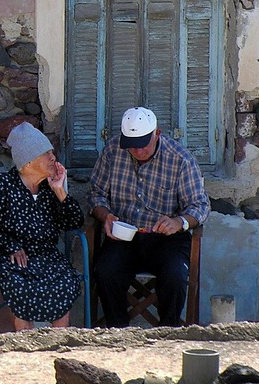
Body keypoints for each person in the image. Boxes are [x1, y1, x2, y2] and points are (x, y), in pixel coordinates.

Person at [88, 106, 209, 327]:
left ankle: (168, 333)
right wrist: (105, 216)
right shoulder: (113, 150)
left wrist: (179, 222)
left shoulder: (180, 159)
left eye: (143, 143)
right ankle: (118, 333)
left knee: (176, 277)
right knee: (105, 272)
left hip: (166, 239)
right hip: (124, 237)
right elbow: (96, 193)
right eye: (131, 145)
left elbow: (200, 206)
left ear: (157, 134)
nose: (137, 150)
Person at [0, 122, 86, 330]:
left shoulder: (49, 188)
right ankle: (25, 349)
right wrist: (10, 245)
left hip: (46, 257)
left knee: (66, 281)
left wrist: (60, 191)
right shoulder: (3, 186)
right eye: (46, 154)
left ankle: (58, 348)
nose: (53, 157)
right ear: (28, 161)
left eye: (52, 152)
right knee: (19, 285)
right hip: (8, 258)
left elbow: (74, 223)